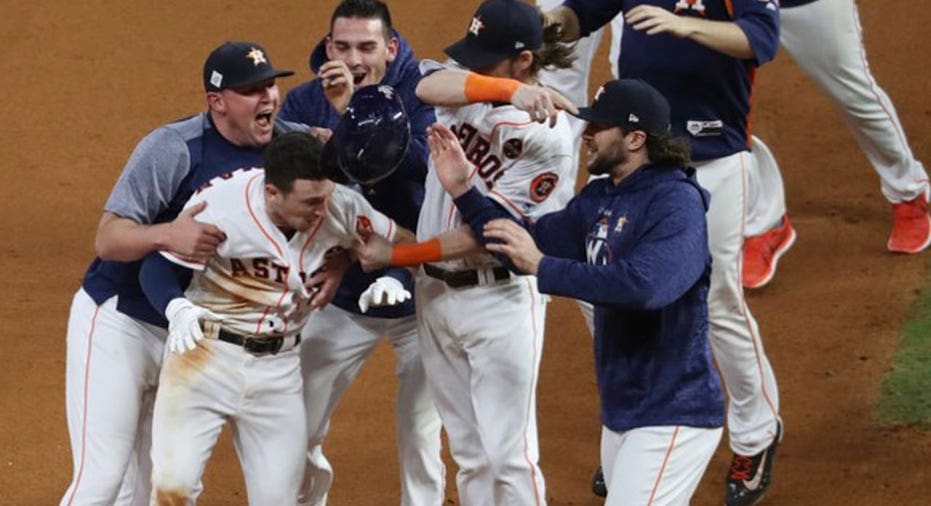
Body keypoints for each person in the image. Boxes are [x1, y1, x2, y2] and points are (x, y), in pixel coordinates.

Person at [436, 77, 725, 506]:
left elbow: (644, 287)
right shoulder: (602, 197)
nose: (586, 134)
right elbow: (524, 244)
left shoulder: (675, 204)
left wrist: (545, 267)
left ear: (636, 138)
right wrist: (464, 190)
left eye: (599, 127)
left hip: (674, 410)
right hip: (624, 409)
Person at [544, 2, 784, 505]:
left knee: (718, 302)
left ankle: (757, 433)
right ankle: (637, 436)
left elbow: (760, 40)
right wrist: (555, 25)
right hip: (635, 166)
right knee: (608, 283)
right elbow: (583, 11)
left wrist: (684, 26)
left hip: (714, 157)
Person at [59, 40, 317, 505]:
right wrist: (166, 236)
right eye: (251, 91)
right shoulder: (175, 148)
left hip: (194, 338)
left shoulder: (288, 146)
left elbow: (335, 160)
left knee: (148, 488)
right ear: (217, 102)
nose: (269, 98)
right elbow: (108, 239)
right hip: (123, 323)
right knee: (102, 479)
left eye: (270, 87)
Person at [358, 0, 577, 503]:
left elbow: (488, 235)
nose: (471, 64)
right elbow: (424, 83)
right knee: (470, 454)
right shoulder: (474, 86)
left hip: (497, 301)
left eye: (487, 57)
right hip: (435, 294)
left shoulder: (548, 139)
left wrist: (396, 258)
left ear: (524, 59)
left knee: (509, 457)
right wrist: (508, 89)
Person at [137, 131, 411, 504]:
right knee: (174, 489)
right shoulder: (220, 205)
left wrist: (388, 270)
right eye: (311, 202)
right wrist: (176, 306)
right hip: (205, 359)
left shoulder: (342, 207)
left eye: (326, 197)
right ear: (272, 194)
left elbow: (406, 242)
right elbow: (156, 267)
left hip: (278, 371)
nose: (321, 210)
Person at [277, 2, 444, 504]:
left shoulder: (421, 95)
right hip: (341, 295)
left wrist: (355, 119)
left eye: (367, 47)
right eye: (342, 46)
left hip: (422, 290)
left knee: (420, 436)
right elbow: (286, 199)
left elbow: (421, 170)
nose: (353, 58)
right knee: (298, 427)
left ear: (390, 48)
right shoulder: (304, 105)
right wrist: (336, 258)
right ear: (328, 47)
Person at [742, 0, 931, 289]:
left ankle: (909, 193)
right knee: (723, 106)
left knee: (855, 95)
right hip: (730, 7)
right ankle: (764, 223)